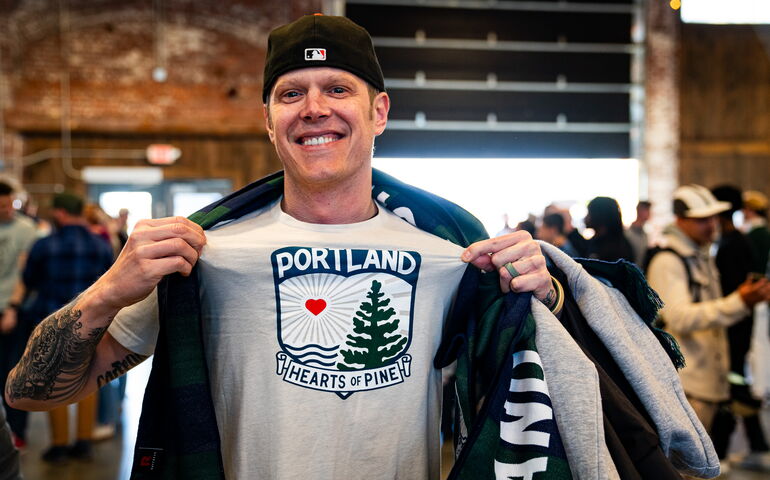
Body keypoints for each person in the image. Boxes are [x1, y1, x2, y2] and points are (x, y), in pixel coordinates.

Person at [4, 15, 559, 479]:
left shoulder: (453, 250)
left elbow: (529, 384)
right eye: (291, 94)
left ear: (380, 112)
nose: (313, 108)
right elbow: (31, 395)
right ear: (269, 121)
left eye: (338, 89)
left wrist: (547, 296)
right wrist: (106, 292)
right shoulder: (203, 252)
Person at [646, 185, 770, 449]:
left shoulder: (700, 256)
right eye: (702, 219)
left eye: (713, 217)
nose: (711, 224)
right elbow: (679, 317)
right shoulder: (669, 260)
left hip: (706, 384)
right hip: (686, 387)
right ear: (681, 220)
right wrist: (739, 302)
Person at [20, 192, 114, 462]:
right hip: (92, 322)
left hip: (52, 320)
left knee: (50, 380)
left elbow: (30, 280)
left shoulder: (44, 245)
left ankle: (59, 445)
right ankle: (84, 442)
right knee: (88, 378)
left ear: (60, 213)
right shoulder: (100, 245)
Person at [709, 185, 770, 473]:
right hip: (737, 325)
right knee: (736, 387)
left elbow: (735, 292)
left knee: (731, 387)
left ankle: (719, 452)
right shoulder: (734, 240)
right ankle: (757, 445)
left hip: (735, 327)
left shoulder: (736, 243)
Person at [0, 180, 39, 451]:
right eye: (2, 206)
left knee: (13, 374)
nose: (7, 210)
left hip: (12, 311)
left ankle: (17, 433)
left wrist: (13, 308)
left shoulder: (27, 229)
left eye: (9, 204)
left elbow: (24, 275)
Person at [570, 196, 634, 262]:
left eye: (589, 212)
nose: (586, 217)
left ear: (599, 215)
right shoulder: (596, 241)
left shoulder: (618, 250)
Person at [742, 190, 770, 274]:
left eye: (744, 209)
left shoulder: (756, 233)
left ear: (750, 210)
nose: (743, 212)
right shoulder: (763, 230)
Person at [626, 200, 651, 266]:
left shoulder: (645, 235)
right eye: (647, 210)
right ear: (640, 211)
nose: (650, 213)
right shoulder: (628, 234)